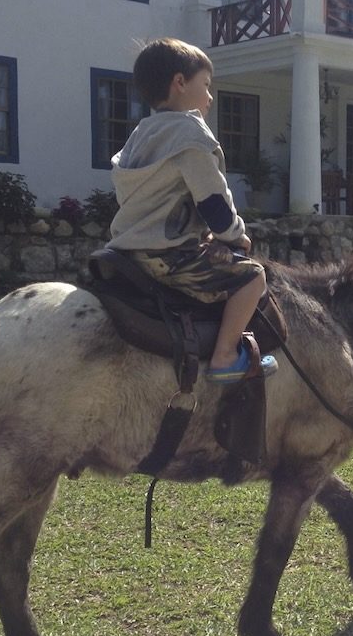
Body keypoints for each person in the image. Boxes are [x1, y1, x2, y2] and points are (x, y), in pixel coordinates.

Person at [106, 37, 276, 383]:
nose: (210, 97)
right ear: (180, 83)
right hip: (169, 254)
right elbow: (213, 202)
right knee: (253, 277)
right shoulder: (190, 132)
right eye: (206, 85)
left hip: (124, 250)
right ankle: (226, 356)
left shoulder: (141, 133)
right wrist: (237, 237)